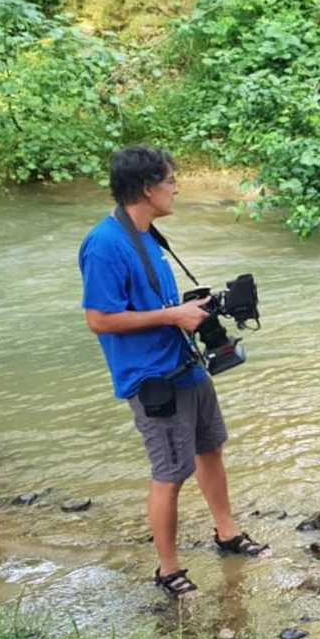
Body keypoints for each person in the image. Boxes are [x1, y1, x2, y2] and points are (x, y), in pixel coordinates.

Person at [80, 145, 266, 600]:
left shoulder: (150, 236)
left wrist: (190, 311)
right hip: (152, 378)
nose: (177, 188)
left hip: (186, 365)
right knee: (170, 472)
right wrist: (172, 317)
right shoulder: (105, 244)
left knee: (210, 449)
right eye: (170, 181)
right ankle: (168, 569)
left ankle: (227, 533)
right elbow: (99, 319)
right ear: (147, 188)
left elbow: (157, 306)